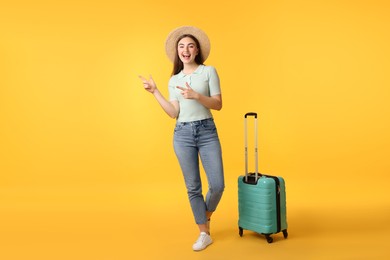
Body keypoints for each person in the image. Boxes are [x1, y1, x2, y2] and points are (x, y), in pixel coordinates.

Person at [138, 26, 225, 251]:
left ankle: (204, 216)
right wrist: (155, 92)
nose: (185, 50)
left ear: (197, 51)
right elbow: (173, 112)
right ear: (177, 52)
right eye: (181, 47)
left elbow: (218, 104)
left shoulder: (208, 72)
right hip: (183, 134)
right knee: (193, 187)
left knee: (217, 185)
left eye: (190, 46)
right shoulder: (174, 79)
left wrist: (196, 96)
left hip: (207, 131)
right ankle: (203, 233)